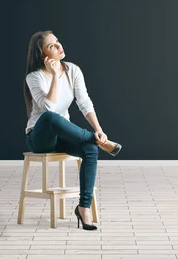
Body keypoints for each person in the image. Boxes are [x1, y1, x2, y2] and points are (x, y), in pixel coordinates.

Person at [23, 30, 122, 231]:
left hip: (62, 135)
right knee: (51, 117)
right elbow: (49, 108)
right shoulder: (34, 77)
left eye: (57, 42)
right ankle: (97, 141)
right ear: (43, 55)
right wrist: (55, 77)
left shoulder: (73, 70)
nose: (59, 47)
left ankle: (83, 208)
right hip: (39, 138)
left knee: (90, 149)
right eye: (52, 46)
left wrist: (99, 129)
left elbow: (84, 102)